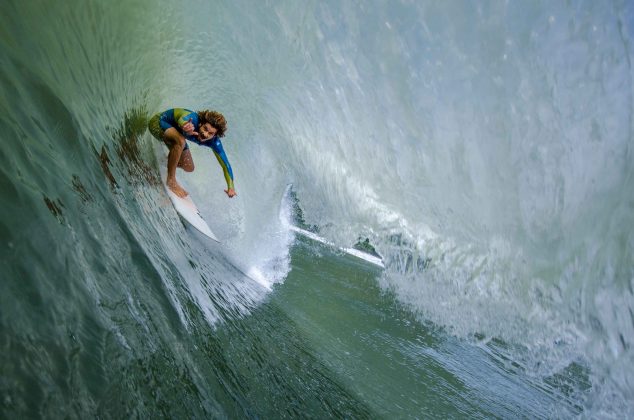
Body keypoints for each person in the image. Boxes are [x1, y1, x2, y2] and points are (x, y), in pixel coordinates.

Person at [148, 108, 236, 199]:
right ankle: (171, 181)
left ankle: (165, 161)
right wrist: (185, 125)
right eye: (205, 128)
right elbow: (183, 119)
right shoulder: (193, 119)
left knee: (189, 167)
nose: (205, 134)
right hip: (157, 124)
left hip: (172, 136)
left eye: (210, 133)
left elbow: (226, 165)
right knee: (181, 141)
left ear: (215, 135)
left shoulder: (214, 142)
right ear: (201, 123)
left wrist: (231, 187)